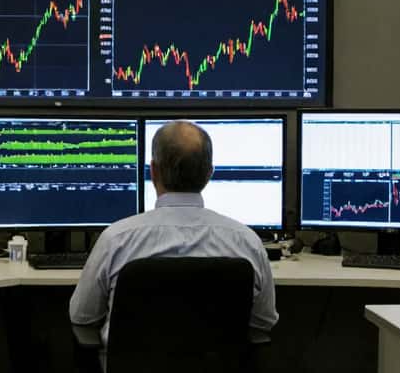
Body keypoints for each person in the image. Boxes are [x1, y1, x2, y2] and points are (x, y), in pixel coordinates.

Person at [69, 119, 278, 352]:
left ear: (153, 171)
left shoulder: (116, 239)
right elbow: (263, 322)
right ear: (209, 174)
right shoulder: (247, 242)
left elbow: (82, 317)